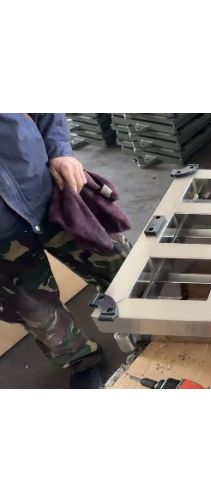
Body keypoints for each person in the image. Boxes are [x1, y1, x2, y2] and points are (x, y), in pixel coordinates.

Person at [0, 113, 129, 388]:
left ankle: (151, 320)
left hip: (49, 189)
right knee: (37, 312)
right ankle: (82, 360)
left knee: (119, 262)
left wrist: (59, 150)